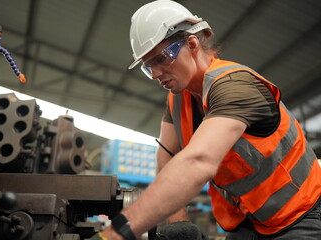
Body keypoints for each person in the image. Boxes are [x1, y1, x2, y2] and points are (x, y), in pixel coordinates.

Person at [91, 0, 321, 239]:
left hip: (302, 215)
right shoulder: (177, 98)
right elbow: (168, 156)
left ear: (192, 44)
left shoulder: (236, 87)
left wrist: (115, 234)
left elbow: (198, 161)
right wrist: (177, 221)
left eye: (161, 59)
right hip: (250, 223)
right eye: (148, 67)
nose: (156, 74)